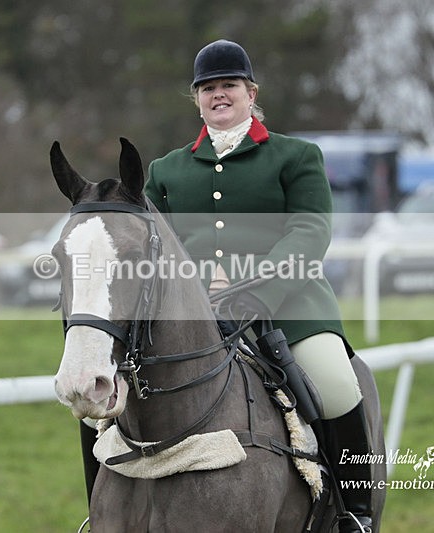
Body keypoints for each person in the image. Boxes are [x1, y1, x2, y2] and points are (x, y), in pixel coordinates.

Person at [144, 39, 374, 533]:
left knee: (335, 387)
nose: (218, 95)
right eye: (208, 88)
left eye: (229, 85)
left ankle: (355, 513)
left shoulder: (296, 156)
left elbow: (310, 231)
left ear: (250, 92)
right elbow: (153, 247)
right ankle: (100, 511)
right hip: (195, 314)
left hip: (289, 306)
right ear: (197, 98)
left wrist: (255, 289)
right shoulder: (165, 171)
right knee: (104, 403)